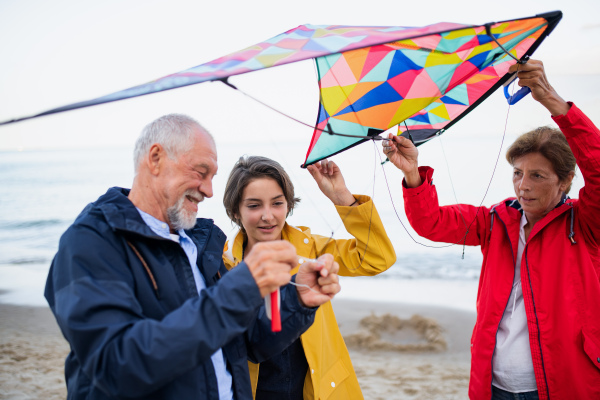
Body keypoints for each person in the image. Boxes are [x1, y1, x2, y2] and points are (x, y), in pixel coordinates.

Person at [44, 114, 342, 400]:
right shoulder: (91, 242)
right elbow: (116, 365)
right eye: (200, 172)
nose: (210, 191)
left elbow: (248, 343)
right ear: (156, 158)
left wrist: (299, 301)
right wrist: (237, 291)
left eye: (213, 176)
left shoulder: (200, 242)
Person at [382, 59, 600, 400]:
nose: (522, 186)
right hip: (493, 385)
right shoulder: (497, 221)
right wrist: (412, 173)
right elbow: (432, 223)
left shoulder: (586, 224)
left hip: (564, 385)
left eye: (537, 175)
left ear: (566, 180)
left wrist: (551, 100)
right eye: (518, 172)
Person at [222, 155, 396, 399]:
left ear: (289, 204)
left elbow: (377, 258)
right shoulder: (222, 266)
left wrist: (342, 197)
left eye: (277, 203)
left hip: (315, 390)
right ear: (235, 211)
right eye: (254, 205)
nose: (268, 216)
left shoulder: (311, 250)